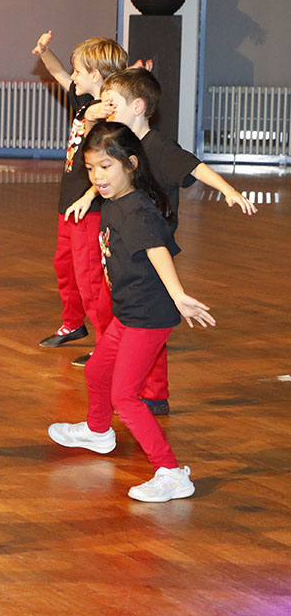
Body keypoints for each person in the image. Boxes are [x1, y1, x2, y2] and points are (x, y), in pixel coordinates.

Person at [65, 68, 256, 414]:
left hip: (151, 247)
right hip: (126, 242)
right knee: (125, 314)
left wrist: (228, 190)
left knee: (149, 320)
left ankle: (153, 395)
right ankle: (126, 377)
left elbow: (196, 167)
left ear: (137, 107)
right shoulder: (122, 145)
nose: (106, 109)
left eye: (112, 104)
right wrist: (88, 196)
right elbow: (110, 176)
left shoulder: (161, 147)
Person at [48, 122, 213, 503]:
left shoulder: (137, 210)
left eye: (106, 167)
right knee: (96, 370)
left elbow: (157, 250)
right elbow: (102, 187)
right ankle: (98, 432)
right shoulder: (115, 201)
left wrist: (178, 295)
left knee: (124, 397)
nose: (97, 176)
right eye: (91, 168)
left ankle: (171, 472)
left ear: (131, 164)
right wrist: (89, 194)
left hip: (147, 318)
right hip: (128, 313)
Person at [31, 31, 128, 366]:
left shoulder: (110, 115)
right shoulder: (85, 101)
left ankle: (105, 343)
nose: (72, 77)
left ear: (96, 75)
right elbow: (58, 72)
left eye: (78, 71)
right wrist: (44, 51)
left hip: (92, 207)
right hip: (69, 203)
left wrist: (92, 118)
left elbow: (105, 160)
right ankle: (73, 323)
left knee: (90, 276)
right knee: (65, 267)